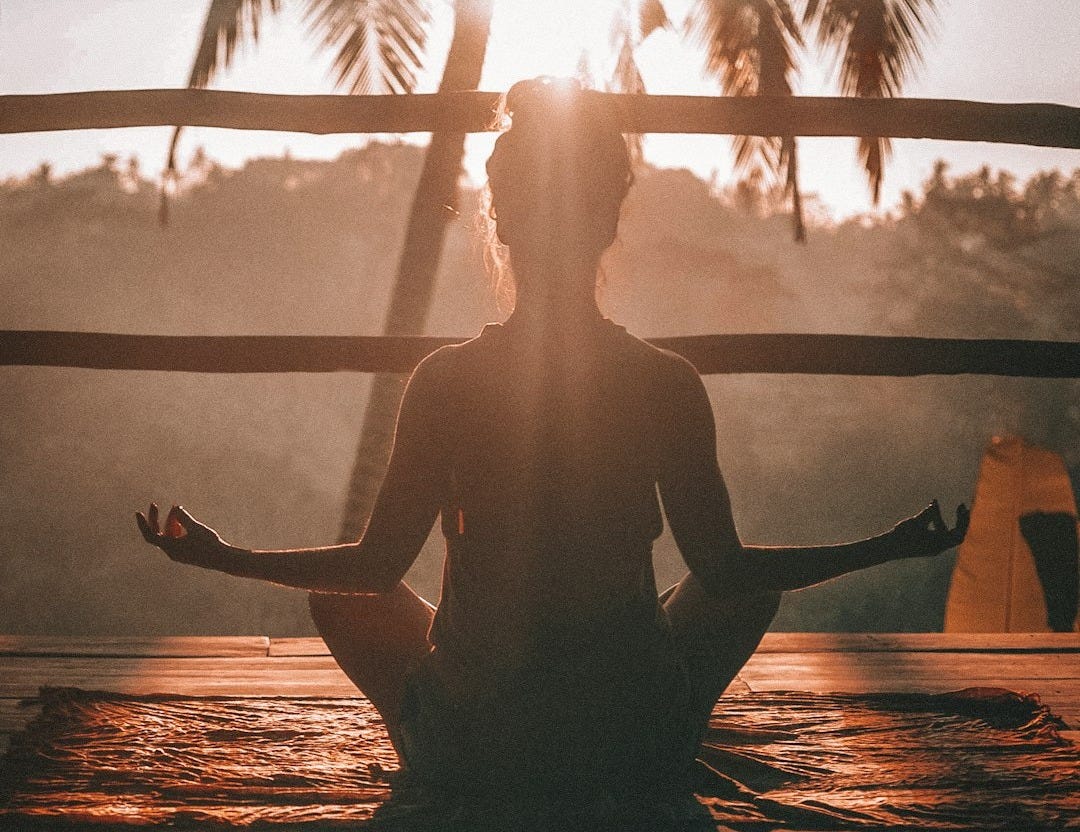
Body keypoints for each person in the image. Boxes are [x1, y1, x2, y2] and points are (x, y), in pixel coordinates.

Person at [137, 77, 968, 811]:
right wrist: (887, 546)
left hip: (479, 751)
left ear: (500, 223)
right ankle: (666, 735)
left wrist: (223, 554)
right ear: (609, 221)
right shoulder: (664, 381)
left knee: (340, 598)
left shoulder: (448, 380)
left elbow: (373, 569)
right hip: (628, 745)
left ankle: (433, 751)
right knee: (743, 589)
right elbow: (727, 571)